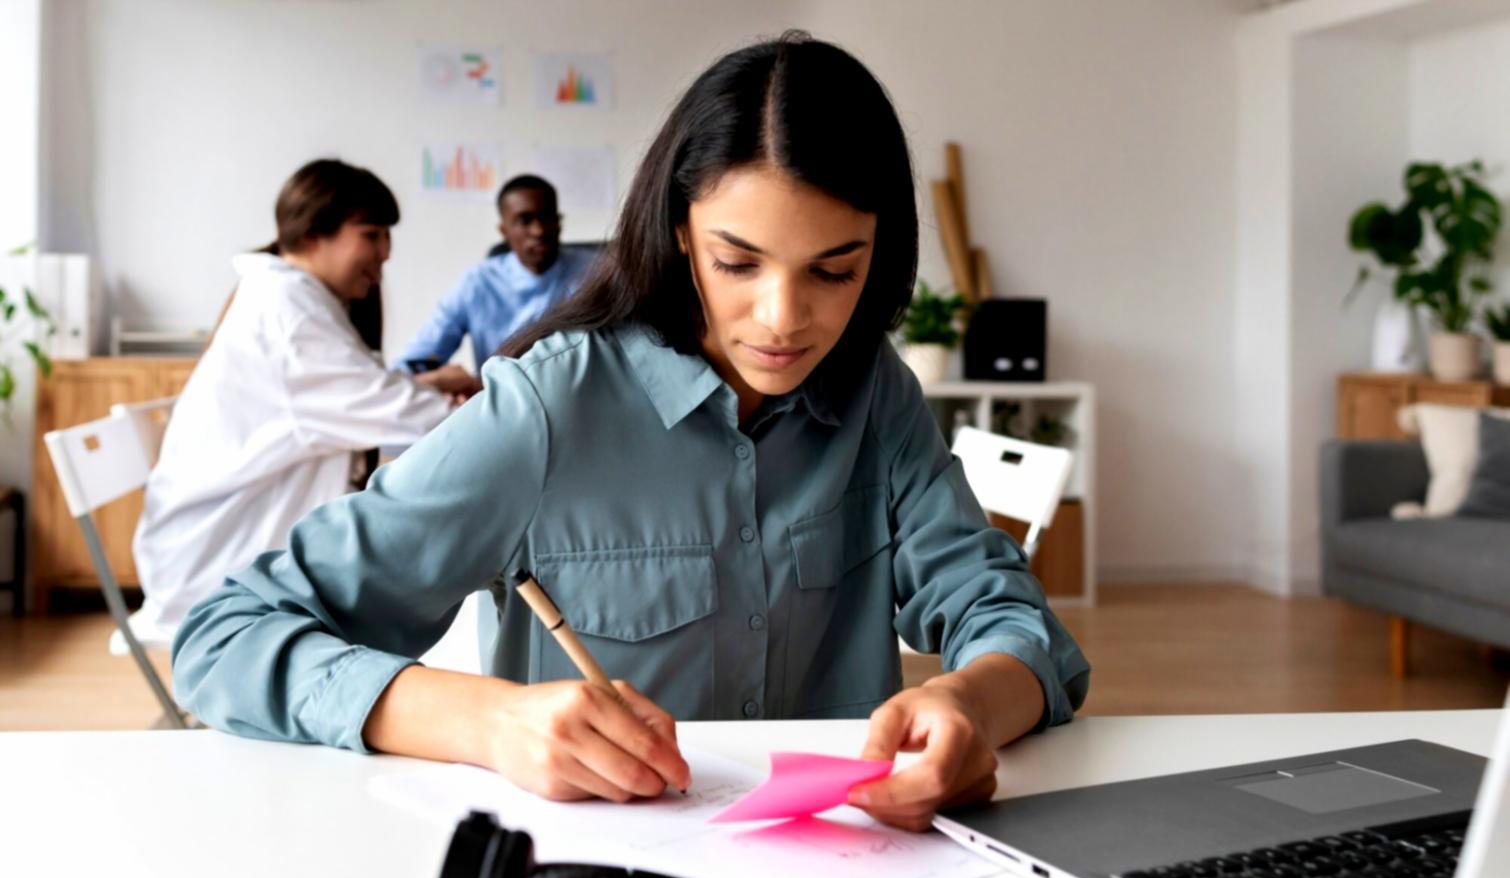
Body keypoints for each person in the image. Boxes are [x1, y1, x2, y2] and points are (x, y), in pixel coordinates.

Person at [173, 34, 1090, 832]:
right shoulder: (548, 409)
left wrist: (970, 704)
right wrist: (491, 723)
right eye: (738, 262)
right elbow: (224, 638)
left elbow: (1013, 621)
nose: (783, 319)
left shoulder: (874, 394)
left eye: (833, 272)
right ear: (682, 234)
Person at [133, 159, 466, 636]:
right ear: (314, 235)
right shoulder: (292, 317)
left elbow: (357, 394)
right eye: (371, 235)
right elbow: (404, 415)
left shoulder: (284, 296)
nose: (386, 252)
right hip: (217, 566)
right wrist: (492, 405)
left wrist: (432, 384)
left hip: (210, 543)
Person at [394, 175, 596, 377]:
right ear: (504, 231)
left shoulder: (596, 272)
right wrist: (441, 381)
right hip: (502, 393)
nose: (538, 231)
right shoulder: (479, 282)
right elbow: (416, 360)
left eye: (547, 218)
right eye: (524, 221)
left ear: (559, 222)